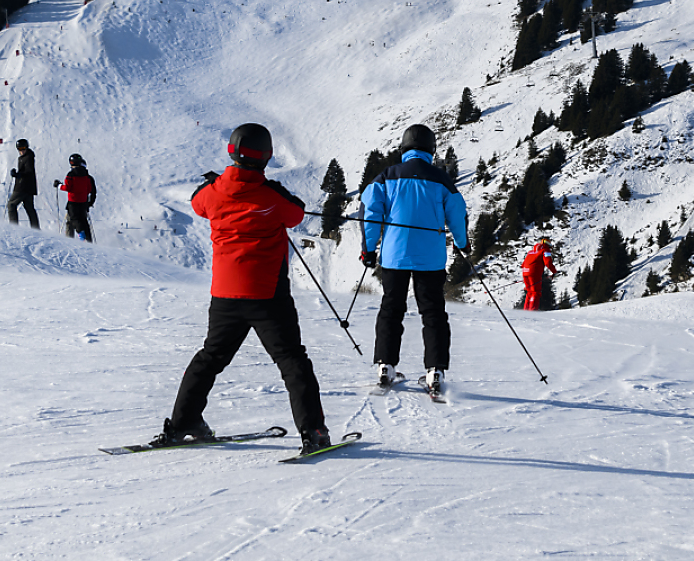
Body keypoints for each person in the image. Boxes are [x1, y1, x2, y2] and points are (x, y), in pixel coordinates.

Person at [153, 123, 331, 455]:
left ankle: (183, 423)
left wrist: (214, 184)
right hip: (267, 295)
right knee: (292, 361)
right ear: (266, 157)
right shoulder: (271, 196)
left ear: (232, 153)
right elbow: (295, 214)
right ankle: (313, 432)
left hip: (224, 295)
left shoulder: (212, 192)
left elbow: (197, 204)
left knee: (210, 358)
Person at [361, 123, 469, 392]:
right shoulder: (441, 179)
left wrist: (369, 249)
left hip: (394, 257)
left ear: (403, 148)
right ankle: (435, 372)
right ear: (431, 150)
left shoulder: (387, 176)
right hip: (430, 259)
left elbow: (370, 211)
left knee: (391, 309)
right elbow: (457, 212)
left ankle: (385, 366)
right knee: (433, 313)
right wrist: (462, 243)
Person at [56, 153, 97, 242]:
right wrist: (89, 202)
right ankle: (89, 240)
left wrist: (59, 186)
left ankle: (76, 238)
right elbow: (90, 189)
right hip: (83, 202)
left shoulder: (71, 174)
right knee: (83, 221)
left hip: (73, 201)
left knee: (73, 220)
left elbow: (67, 187)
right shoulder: (87, 176)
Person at [6, 138, 40, 229]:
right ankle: (36, 228)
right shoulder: (26, 157)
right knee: (29, 207)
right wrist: (17, 173)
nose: (22, 151)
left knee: (11, 205)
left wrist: (17, 175)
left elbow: (28, 172)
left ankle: (14, 227)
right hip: (29, 187)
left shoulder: (28, 157)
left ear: (27, 147)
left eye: (23, 148)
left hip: (22, 187)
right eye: (19, 149)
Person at [521, 237, 557, 310]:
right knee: (535, 292)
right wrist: (554, 271)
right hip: (534, 273)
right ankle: (532, 310)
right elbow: (548, 263)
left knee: (529, 292)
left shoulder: (531, 251)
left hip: (525, 272)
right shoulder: (545, 250)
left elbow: (523, 264)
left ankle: (526, 310)